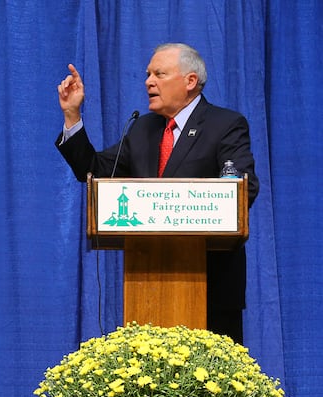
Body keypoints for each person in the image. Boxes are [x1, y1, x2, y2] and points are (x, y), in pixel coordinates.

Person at [55, 42, 259, 343]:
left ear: (190, 81)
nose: (148, 82)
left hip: (210, 284)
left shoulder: (225, 125)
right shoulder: (142, 129)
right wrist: (72, 115)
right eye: (148, 74)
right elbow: (95, 170)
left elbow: (244, 189)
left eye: (159, 74)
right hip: (147, 283)